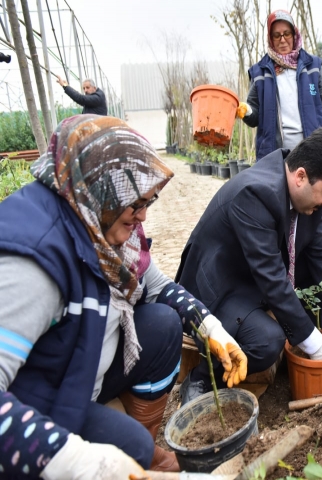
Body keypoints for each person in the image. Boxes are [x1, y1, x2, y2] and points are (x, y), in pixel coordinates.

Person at [0, 115, 247, 479]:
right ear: (99, 186)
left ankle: (141, 447)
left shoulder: (97, 223)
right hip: (33, 400)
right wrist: (69, 459)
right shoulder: (34, 261)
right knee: (126, 447)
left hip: (73, 371)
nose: (143, 215)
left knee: (163, 324)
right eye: (135, 203)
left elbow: (160, 287)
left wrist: (210, 328)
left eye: (149, 201)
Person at [176, 126, 322, 405]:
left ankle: (296, 333)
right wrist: (316, 347)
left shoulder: (306, 192)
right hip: (220, 287)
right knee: (268, 342)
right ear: (300, 177)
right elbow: (272, 279)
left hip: (252, 275)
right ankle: (200, 379)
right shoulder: (255, 194)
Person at [236, 9, 322, 159]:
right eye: (276, 35)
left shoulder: (313, 67)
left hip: (314, 155)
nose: (282, 39)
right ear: (270, 38)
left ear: (294, 35)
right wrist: (246, 111)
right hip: (275, 158)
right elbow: (255, 116)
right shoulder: (260, 72)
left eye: (286, 33)